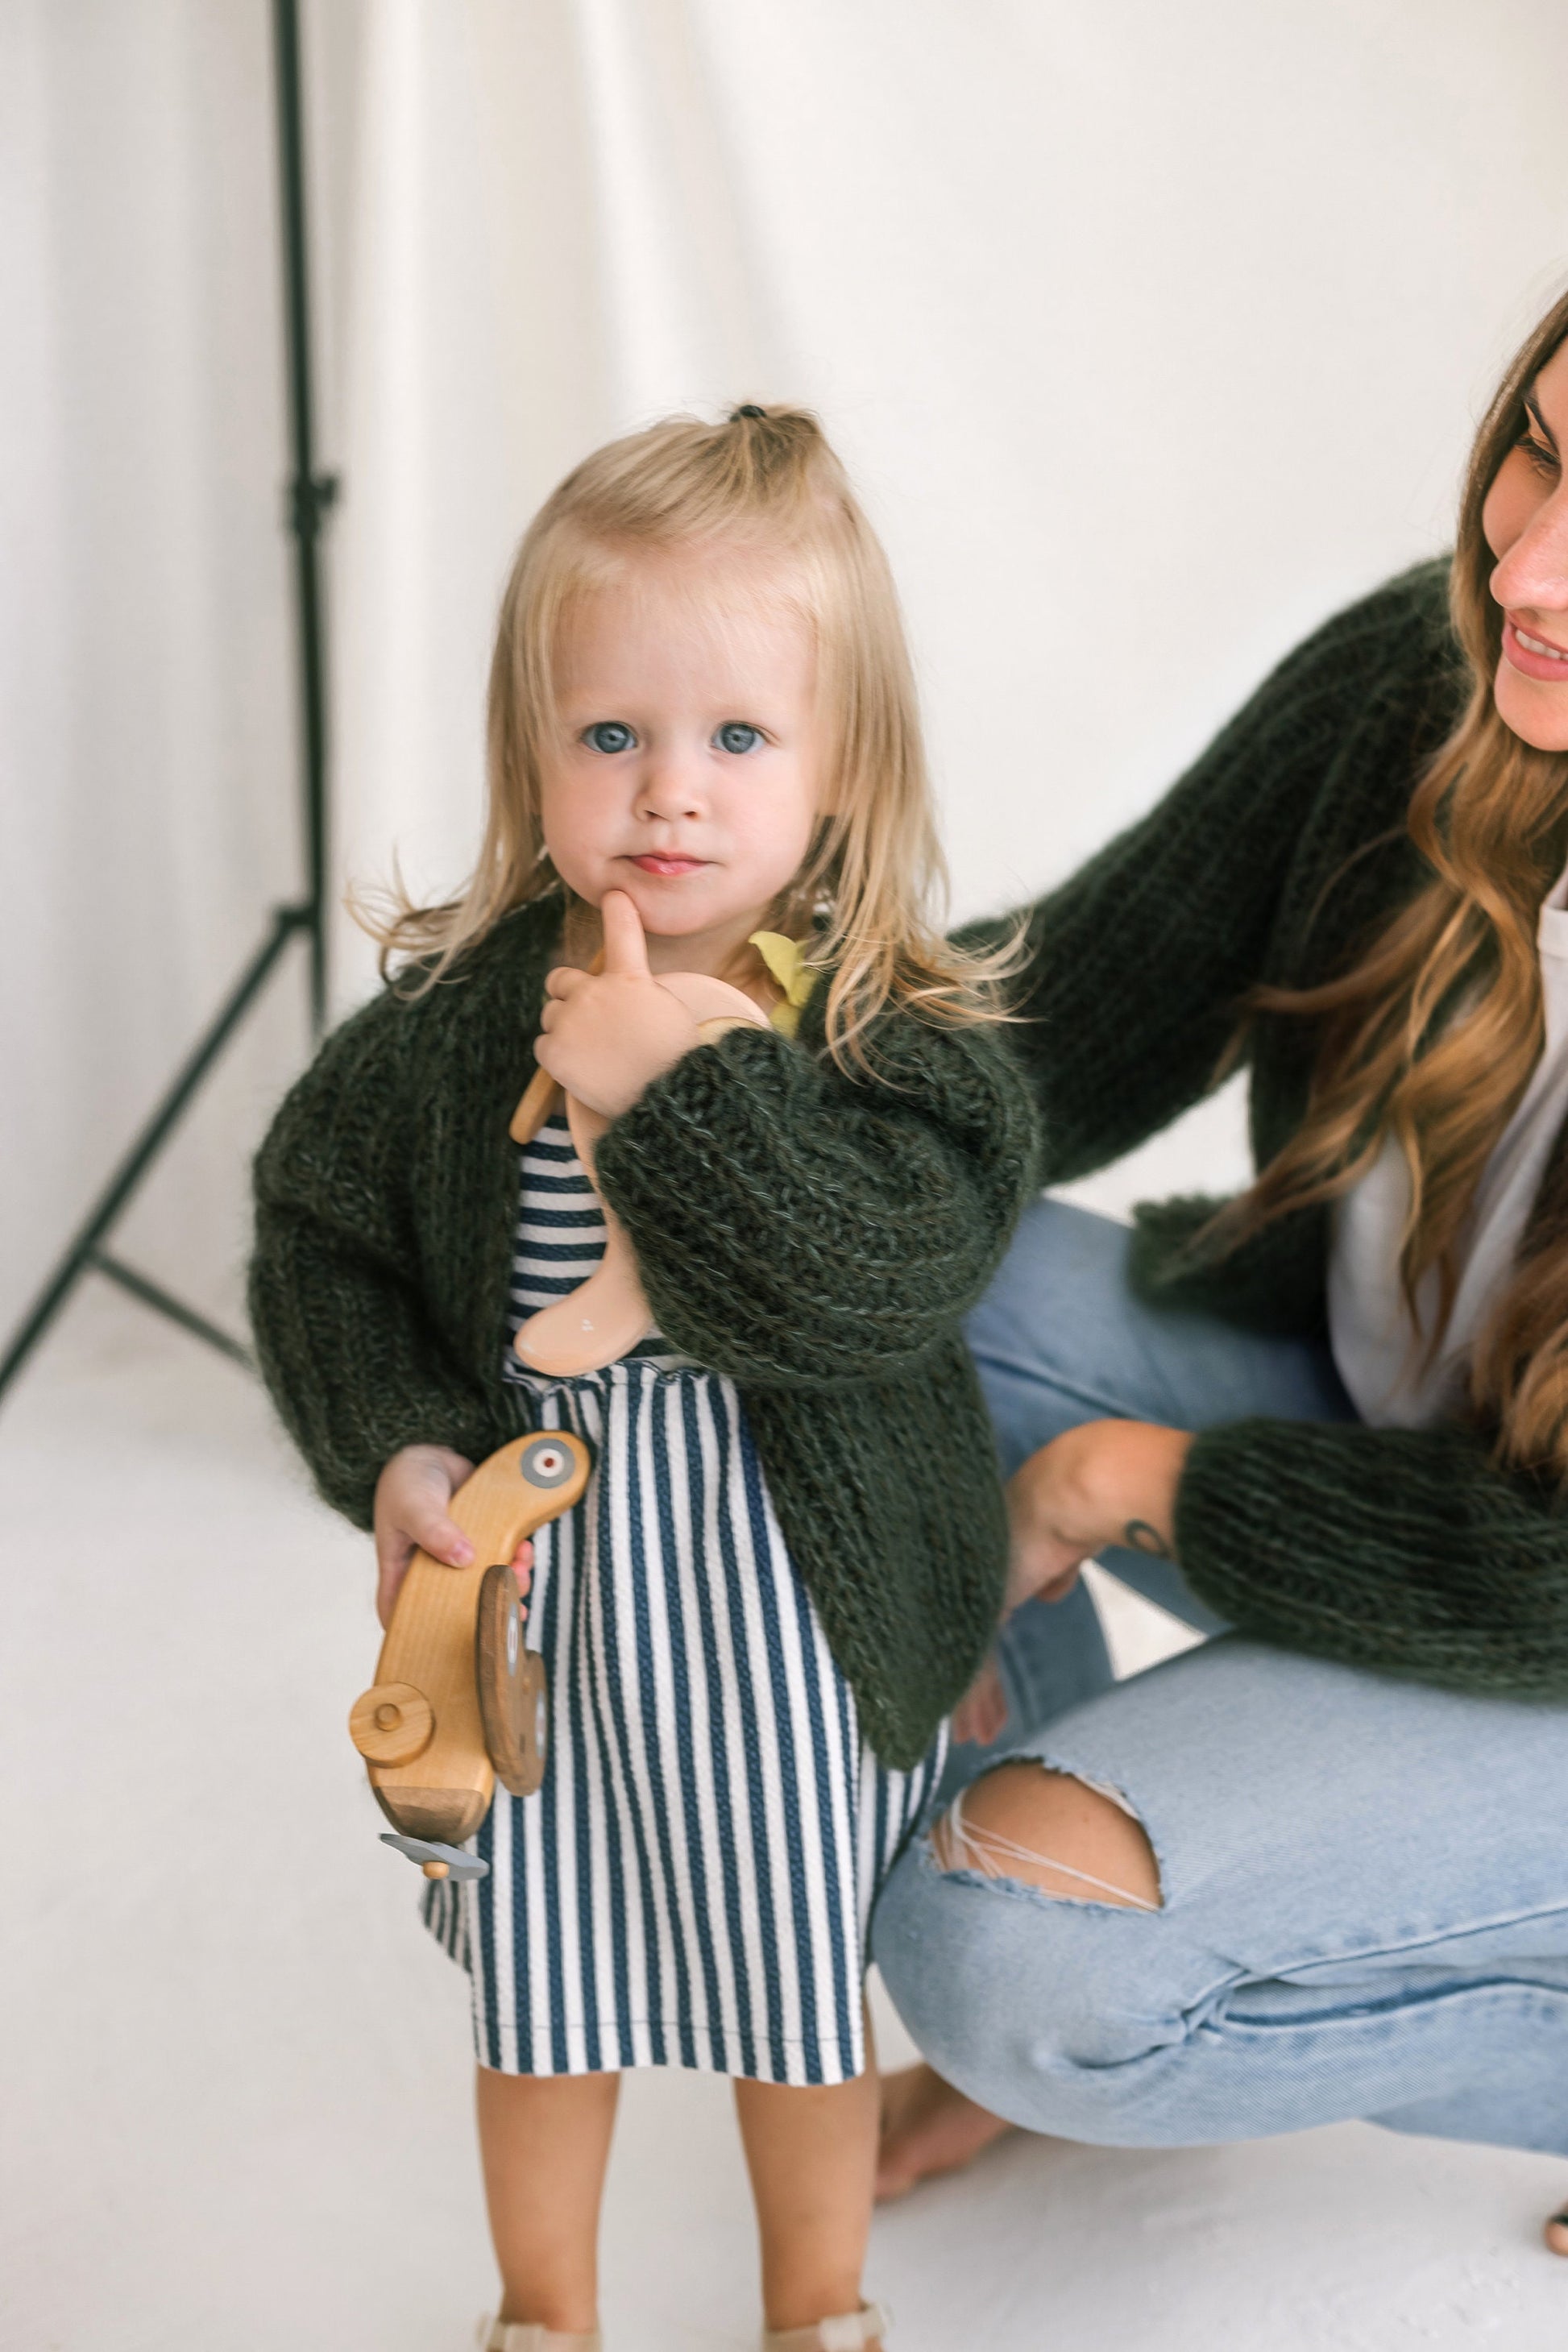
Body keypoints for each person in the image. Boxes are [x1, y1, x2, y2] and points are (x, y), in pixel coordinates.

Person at [249, 408, 1037, 2351]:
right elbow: (317, 1231)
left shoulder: (893, 1038)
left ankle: (816, 2304)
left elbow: (865, 1281)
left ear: (840, 761)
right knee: (542, 1985)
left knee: (790, 1990)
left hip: (784, 1615)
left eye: (737, 739)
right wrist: (399, 1446)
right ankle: (542, 2311)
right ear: (536, 747)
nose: (667, 795)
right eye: (611, 734)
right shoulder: (456, 1025)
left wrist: (671, 1081)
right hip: (547, 1615)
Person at [873, 288, 1568, 2248]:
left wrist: (1136, 1483)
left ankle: (1086, 1946)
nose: (1523, 562)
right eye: (1534, 450)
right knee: (886, 1293)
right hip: (1384, 1451)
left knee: (1006, 1967)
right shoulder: (1422, 684)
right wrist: (739, 1059)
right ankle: (1131, 1857)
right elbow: (1062, 1014)